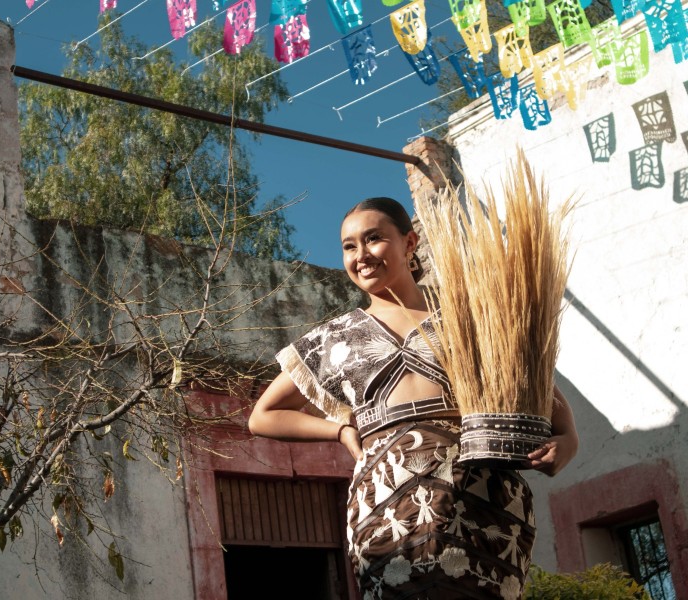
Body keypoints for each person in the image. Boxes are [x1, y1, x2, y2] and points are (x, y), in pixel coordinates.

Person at [248, 197, 579, 600]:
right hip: (385, 506)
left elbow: (548, 400)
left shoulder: (470, 319)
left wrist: (566, 443)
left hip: (481, 501)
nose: (361, 255)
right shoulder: (332, 338)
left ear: (409, 243)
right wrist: (340, 430)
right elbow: (264, 415)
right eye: (349, 246)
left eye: (373, 239)